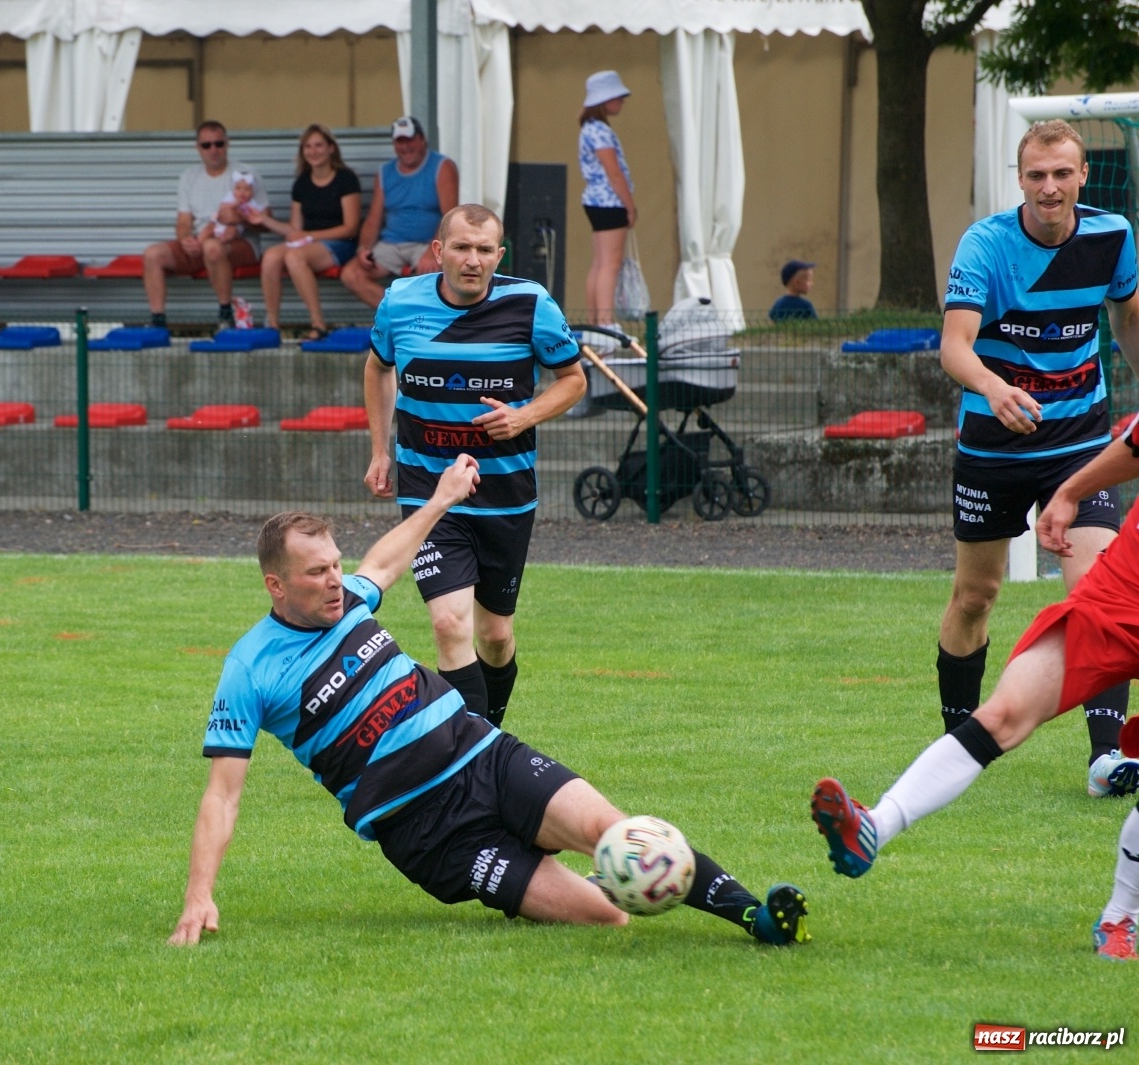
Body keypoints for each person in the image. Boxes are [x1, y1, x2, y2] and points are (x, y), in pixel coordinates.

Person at [170, 455, 809, 947]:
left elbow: (387, 560)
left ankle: (757, 916)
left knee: (618, 836)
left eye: (336, 566)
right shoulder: (249, 669)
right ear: (276, 584)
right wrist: (200, 895)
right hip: (426, 829)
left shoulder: (352, 600)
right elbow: (221, 795)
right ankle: (559, 887)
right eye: (317, 573)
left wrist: (443, 497)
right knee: (610, 914)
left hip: (483, 756)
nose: (336, 581)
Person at [811, 419, 1139, 960]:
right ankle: (873, 827)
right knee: (1005, 712)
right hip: (1124, 586)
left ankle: (1121, 915)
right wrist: (1068, 493)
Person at [932, 119, 1139, 797]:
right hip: (993, 443)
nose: (1049, 188)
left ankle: (1106, 758)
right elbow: (955, 346)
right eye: (1036, 176)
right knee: (976, 595)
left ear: (1083, 176)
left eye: (1061, 174)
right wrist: (995, 389)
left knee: (1097, 592)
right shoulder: (986, 245)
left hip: (1080, 440)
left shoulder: (1112, 235)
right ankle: (958, 742)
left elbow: (1129, 319)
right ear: (1020, 180)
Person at [363, 204, 587, 728]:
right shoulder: (401, 301)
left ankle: (488, 734)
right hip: (429, 488)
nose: (473, 260)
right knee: (447, 624)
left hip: (504, 493)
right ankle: (472, 760)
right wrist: (379, 450)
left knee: (494, 635)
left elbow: (573, 379)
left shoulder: (531, 305)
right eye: (462, 248)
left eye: (485, 250)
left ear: (499, 255)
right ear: (440, 252)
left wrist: (525, 415)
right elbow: (378, 367)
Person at [142, 122, 265, 333]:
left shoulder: (245, 173)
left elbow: (266, 221)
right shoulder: (188, 177)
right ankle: (158, 321)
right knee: (152, 254)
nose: (213, 150)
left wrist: (238, 220)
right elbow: (183, 221)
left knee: (212, 248)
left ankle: (226, 315)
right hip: (202, 239)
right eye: (207, 145)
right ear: (197, 148)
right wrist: (185, 240)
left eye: (218, 144)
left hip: (239, 242)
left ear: (228, 144)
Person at [244, 124, 362, 340]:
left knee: (294, 256)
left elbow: (350, 227)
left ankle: (318, 324)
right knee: (270, 257)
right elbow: (294, 229)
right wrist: (263, 219)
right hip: (309, 244)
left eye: (318, 145)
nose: (313, 151)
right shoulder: (302, 183)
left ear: (330, 149)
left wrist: (310, 236)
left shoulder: (346, 178)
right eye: (307, 146)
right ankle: (272, 325)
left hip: (340, 243)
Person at [340, 117, 458, 310]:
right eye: (400, 141)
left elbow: (450, 216)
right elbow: (373, 219)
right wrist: (363, 249)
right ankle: (401, 314)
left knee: (431, 276)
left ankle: (428, 328)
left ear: (422, 140)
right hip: (392, 244)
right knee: (351, 274)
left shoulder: (442, 166)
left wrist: (432, 251)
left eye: (410, 140)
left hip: (426, 243)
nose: (406, 146)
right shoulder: (385, 172)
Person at [577, 71, 637, 344]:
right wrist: (629, 204)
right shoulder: (600, 130)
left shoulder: (589, 127)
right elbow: (614, 172)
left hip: (594, 200)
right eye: (618, 97)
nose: (622, 102)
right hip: (609, 201)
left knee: (600, 263)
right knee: (610, 264)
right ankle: (605, 322)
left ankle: (595, 321)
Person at [202, 171, 265, 243]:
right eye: (238, 188)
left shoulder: (252, 204)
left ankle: (220, 241)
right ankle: (199, 242)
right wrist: (234, 204)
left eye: (246, 189)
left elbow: (256, 217)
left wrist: (245, 214)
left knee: (232, 231)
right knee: (208, 229)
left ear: (252, 192)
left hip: (235, 225)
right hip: (219, 222)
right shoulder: (230, 197)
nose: (242, 192)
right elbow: (222, 206)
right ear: (233, 189)